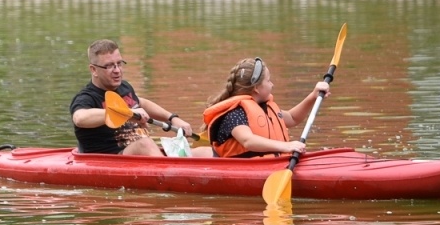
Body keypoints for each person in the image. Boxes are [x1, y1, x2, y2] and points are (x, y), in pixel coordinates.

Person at [70, 39, 193, 157]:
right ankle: (170, 169)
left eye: (119, 63)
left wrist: (172, 118)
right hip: (111, 160)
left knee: (202, 152)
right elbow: (80, 118)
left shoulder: (124, 87)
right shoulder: (86, 98)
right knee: (144, 144)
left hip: (142, 154)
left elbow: (141, 103)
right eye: (109, 66)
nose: (117, 70)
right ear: (94, 70)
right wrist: (127, 113)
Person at [202, 57, 331, 158]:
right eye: (268, 81)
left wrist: (312, 96)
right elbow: (248, 140)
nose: (272, 84)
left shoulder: (264, 107)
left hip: (273, 162)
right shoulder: (235, 114)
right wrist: (286, 146)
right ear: (256, 88)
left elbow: (292, 118)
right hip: (242, 167)